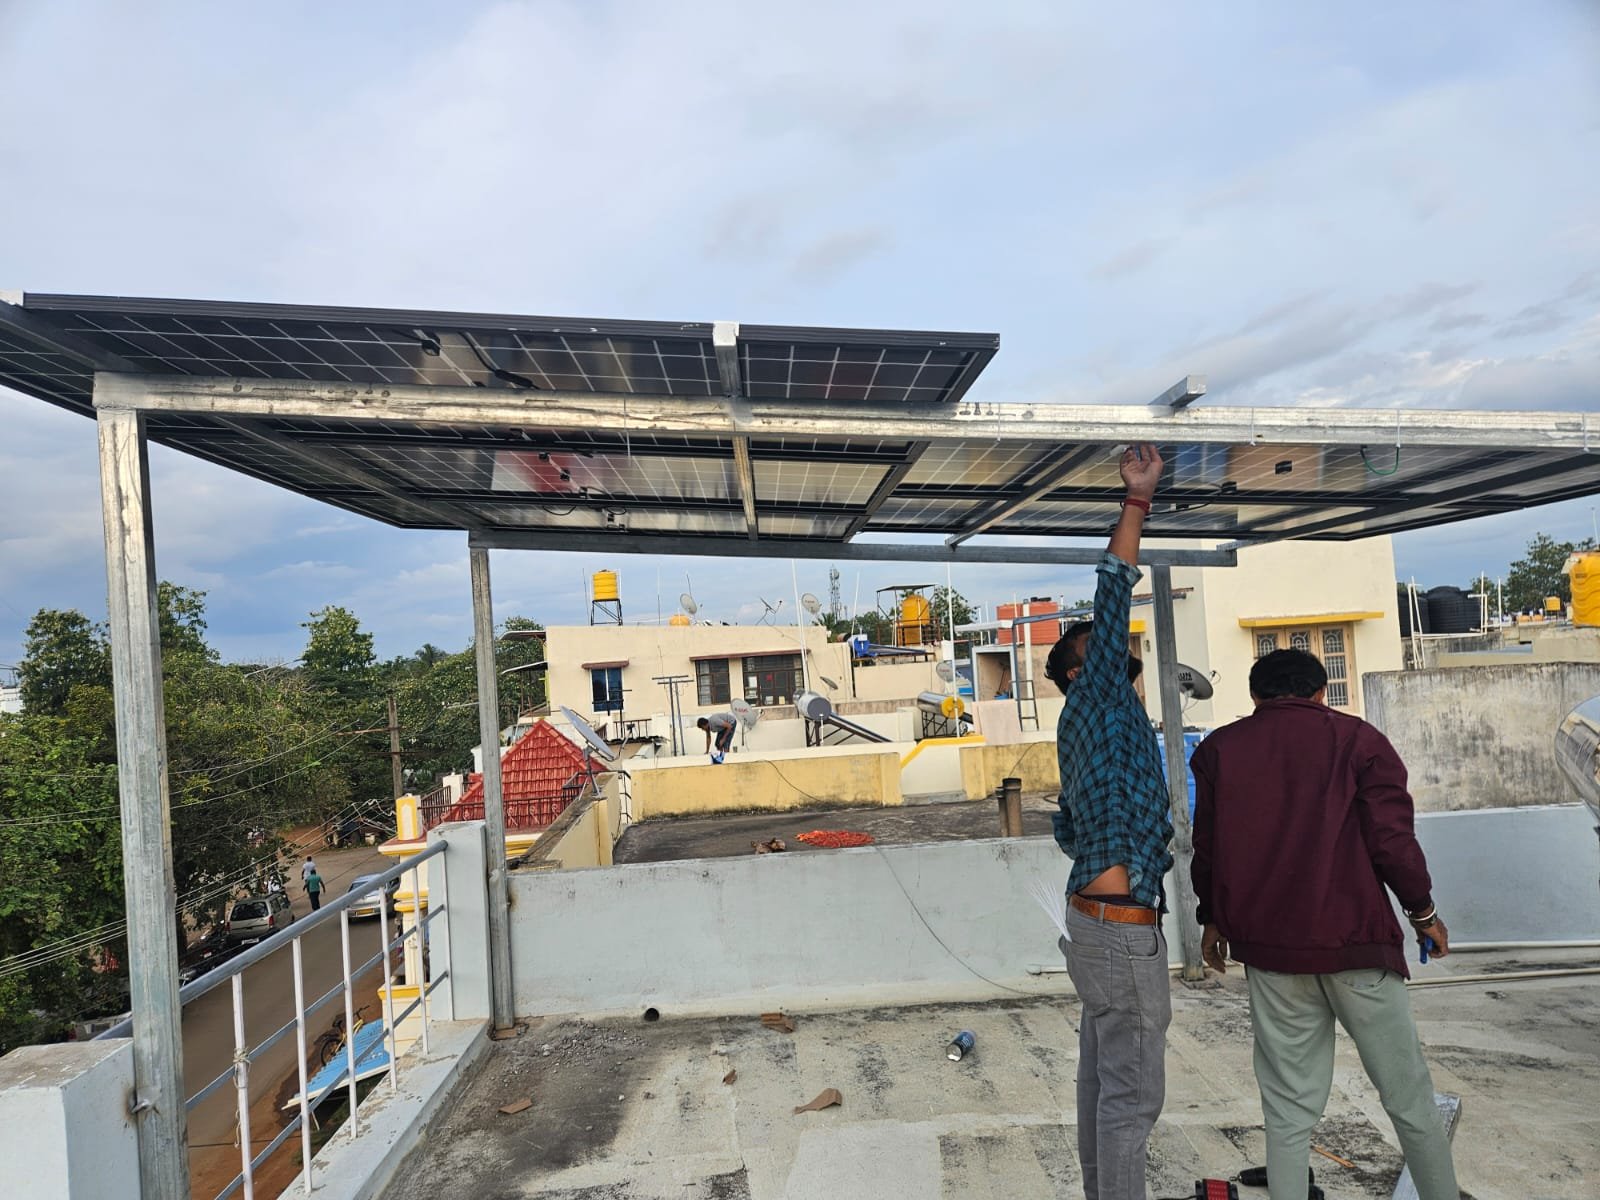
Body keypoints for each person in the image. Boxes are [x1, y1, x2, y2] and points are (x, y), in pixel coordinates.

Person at [1189, 648, 1459, 1200]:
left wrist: (1212, 920)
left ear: (1257, 698)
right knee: (1408, 1097)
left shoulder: (1220, 749)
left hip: (1271, 953)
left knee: (1288, 1106)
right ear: (1320, 693)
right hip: (1357, 946)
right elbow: (1392, 841)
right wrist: (1423, 912)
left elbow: (1208, 848)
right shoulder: (1360, 741)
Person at [1045, 443, 1173, 1200]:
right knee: (1132, 1098)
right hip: (1120, 931)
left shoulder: (1106, 726)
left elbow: (1069, 828)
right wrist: (1137, 500)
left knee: (1104, 1082)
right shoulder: (1094, 700)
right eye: (1094, 650)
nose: (1111, 647)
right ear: (1074, 674)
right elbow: (1114, 587)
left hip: (1101, 921)